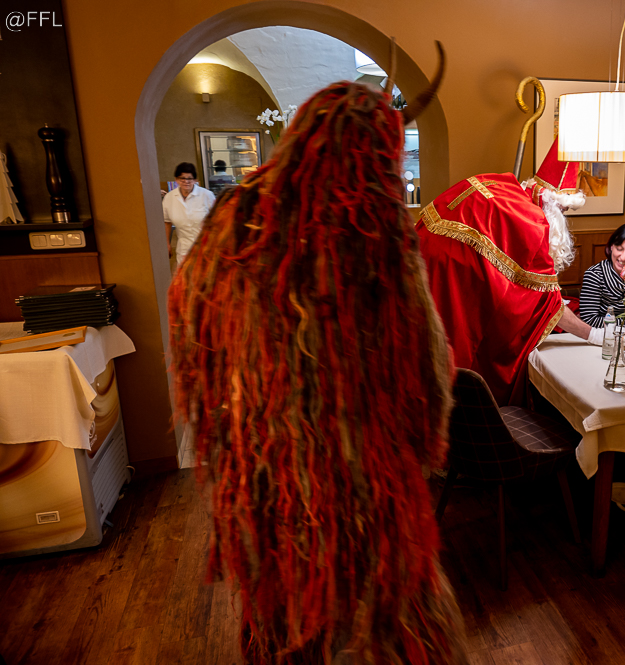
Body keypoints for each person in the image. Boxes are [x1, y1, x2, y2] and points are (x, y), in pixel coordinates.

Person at [167, 51, 467, 665]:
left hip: (267, 478)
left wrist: (237, 431)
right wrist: (424, 445)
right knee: (394, 621)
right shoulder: (381, 242)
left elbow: (193, 338)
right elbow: (431, 372)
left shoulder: (233, 225)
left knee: (284, 618)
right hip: (367, 478)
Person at [416, 139, 598, 406]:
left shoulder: (506, 186)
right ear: (552, 203)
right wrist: (593, 334)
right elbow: (549, 303)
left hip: (424, 260)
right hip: (450, 275)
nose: (566, 217)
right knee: (457, 346)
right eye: (565, 209)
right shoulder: (533, 223)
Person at [162, 162, 215, 266]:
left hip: (207, 247)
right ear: (176, 179)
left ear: (195, 180)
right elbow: (167, 222)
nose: (186, 181)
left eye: (189, 178)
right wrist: (166, 244)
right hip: (184, 249)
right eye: (182, 178)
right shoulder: (169, 198)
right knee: (185, 274)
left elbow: (218, 221)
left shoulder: (207, 195)